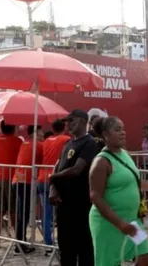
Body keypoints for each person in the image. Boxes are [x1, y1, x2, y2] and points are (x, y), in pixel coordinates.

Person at [89, 117, 148, 266]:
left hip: (132, 221)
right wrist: (121, 224)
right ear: (105, 134)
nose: (123, 133)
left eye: (123, 129)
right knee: (110, 263)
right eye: (117, 130)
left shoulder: (125, 154)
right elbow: (95, 197)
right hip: (108, 223)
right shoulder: (101, 162)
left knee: (145, 258)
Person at [49, 109, 99, 266]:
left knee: (84, 248)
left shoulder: (89, 143)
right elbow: (57, 165)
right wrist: (53, 187)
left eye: (72, 120)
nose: (68, 124)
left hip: (81, 204)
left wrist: (53, 178)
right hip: (64, 204)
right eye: (67, 121)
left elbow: (77, 169)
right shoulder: (67, 143)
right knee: (66, 248)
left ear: (84, 121)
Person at [38, 119, 70, 254]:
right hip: (57, 180)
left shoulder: (46, 141)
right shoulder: (66, 139)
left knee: (46, 214)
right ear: (64, 127)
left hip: (42, 178)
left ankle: (48, 244)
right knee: (63, 213)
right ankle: (64, 242)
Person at [0, 121, 23, 249]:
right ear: (13, 127)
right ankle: (18, 240)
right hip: (10, 177)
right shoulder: (17, 141)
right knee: (13, 209)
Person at [12, 125, 43, 254]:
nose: (42, 134)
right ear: (34, 133)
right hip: (27, 182)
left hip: (18, 180)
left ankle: (21, 241)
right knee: (23, 214)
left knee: (22, 213)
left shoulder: (24, 144)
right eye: (41, 132)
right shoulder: (38, 145)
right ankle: (20, 244)